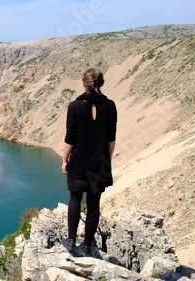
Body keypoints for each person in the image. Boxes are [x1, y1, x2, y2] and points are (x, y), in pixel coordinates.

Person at [60, 68, 117, 257]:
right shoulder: (110, 106)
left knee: (75, 198)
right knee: (94, 203)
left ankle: (71, 241)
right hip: (100, 161)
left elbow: (70, 137)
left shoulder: (75, 106)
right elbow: (111, 138)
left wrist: (64, 159)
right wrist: (106, 160)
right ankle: (86, 246)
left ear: (84, 83)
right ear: (101, 83)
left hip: (79, 160)